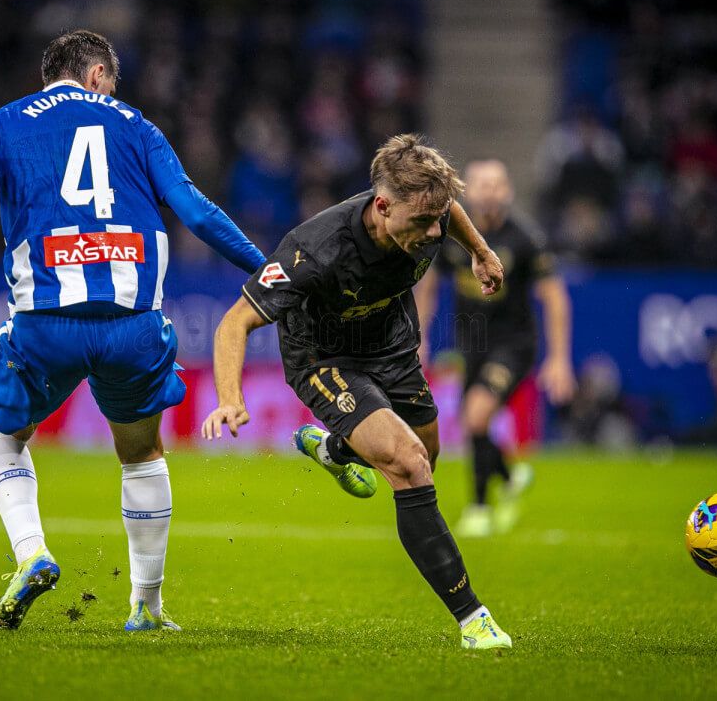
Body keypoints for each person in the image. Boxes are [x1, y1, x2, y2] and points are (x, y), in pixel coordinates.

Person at [0, 30, 265, 632]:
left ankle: (31, 552)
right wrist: (265, 267)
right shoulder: (138, 126)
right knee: (142, 453)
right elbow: (195, 211)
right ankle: (146, 607)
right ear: (96, 74)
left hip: (45, 324)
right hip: (133, 325)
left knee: (1, 432)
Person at [200, 134, 513, 650]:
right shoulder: (314, 250)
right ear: (383, 205)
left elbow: (448, 207)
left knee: (425, 458)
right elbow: (234, 323)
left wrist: (479, 251)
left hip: (391, 345)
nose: (433, 232)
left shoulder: (427, 211)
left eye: (437, 220)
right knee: (409, 464)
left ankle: (331, 449)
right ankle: (472, 618)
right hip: (325, 360)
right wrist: (230, 398)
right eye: (421, 222)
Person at [415, 159, 575, 537]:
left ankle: (480, 508)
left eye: (496, 185)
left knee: (475, 417)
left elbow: (554, 298)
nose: (489, 192)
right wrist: (419, 339)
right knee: (475, 423)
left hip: (514, 345)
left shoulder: (525, 238)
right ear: (467, 190)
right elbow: (429, 287)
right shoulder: (450, 236)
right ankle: (509, 475)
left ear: (507, 191)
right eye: (482, 185)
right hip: (472, 344)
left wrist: (559, 359)